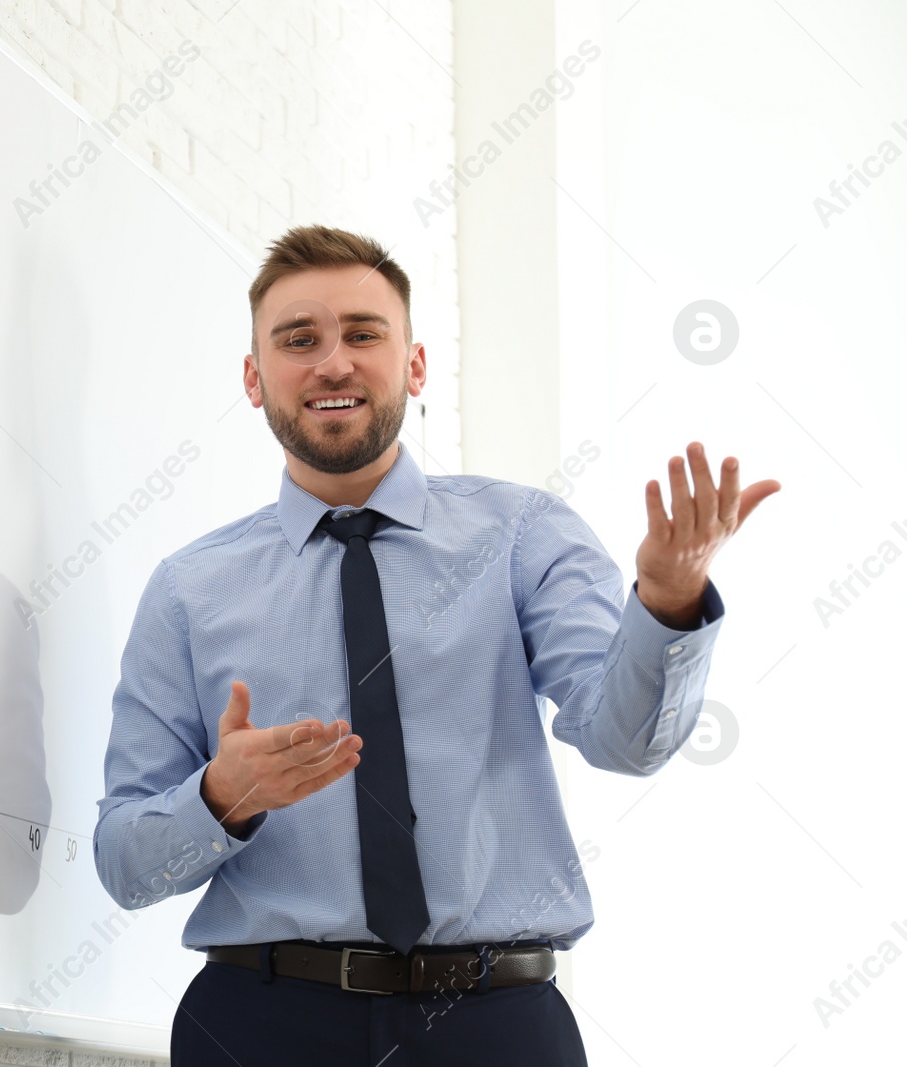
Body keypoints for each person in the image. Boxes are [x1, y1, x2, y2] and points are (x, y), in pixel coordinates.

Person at [92, 225, 780, 1065]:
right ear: (254, 376)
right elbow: (125, 865)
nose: (333, 361)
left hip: (495, 1025)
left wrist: (668, 604)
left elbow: (625, 741)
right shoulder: (187, 590)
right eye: (298, 339)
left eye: (364, 332)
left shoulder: (523, 533)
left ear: (415, 365)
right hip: (259, 1027)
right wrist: (220, 796)